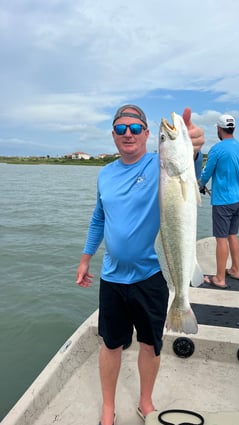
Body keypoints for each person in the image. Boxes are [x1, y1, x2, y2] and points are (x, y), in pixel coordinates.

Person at [76, 104, 204, 425]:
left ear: (147, 134)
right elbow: (98, 218)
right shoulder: (105, 174)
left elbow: (186, 168)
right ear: (114, 135)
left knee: (150, 344)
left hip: (150, 277)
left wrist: (193, 146)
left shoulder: (159, 164)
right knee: (111, 345)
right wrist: (85, 257)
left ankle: (145, 401)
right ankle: (108, 407)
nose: (128, 134)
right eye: (121, 129)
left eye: (135, 128)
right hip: (113, 278)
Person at [199, 114, 239, 289]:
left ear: (219, 129)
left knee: (221, 239)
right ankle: (235, 269)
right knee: (232, 235)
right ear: (233, 128)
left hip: (222, 201)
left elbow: (206, 173)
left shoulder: (217, 149)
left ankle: (220, 278)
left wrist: (200, 184)